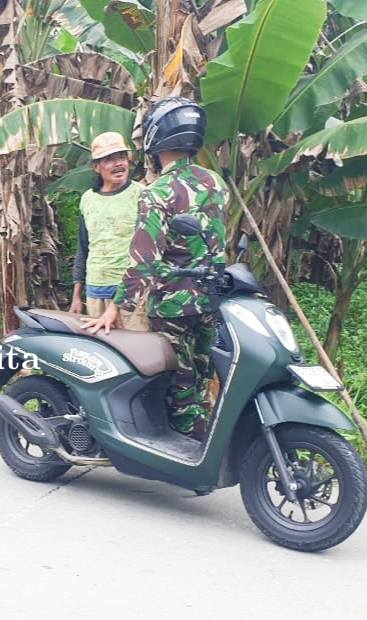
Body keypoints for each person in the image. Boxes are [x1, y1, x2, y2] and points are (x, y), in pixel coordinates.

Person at [84, 97, 228, 439]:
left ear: (154, 140)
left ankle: (179, 447)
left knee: (176, 381)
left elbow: (143, 264)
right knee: (202, 373)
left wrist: (115, 308)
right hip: (211, 301)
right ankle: (200, 439)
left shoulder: (156, 193)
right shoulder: (215, 184)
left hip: (173, 306)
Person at [68, 131, 149, 332]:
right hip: (96, 292)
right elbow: (83, 248)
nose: (118, 163)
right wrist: (77, 295)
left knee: (135, 351)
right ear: (96, 166)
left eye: (122, 156)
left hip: (132, 293)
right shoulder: (87, 199)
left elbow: (149, 249)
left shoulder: (141, 195)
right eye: (109, 159)